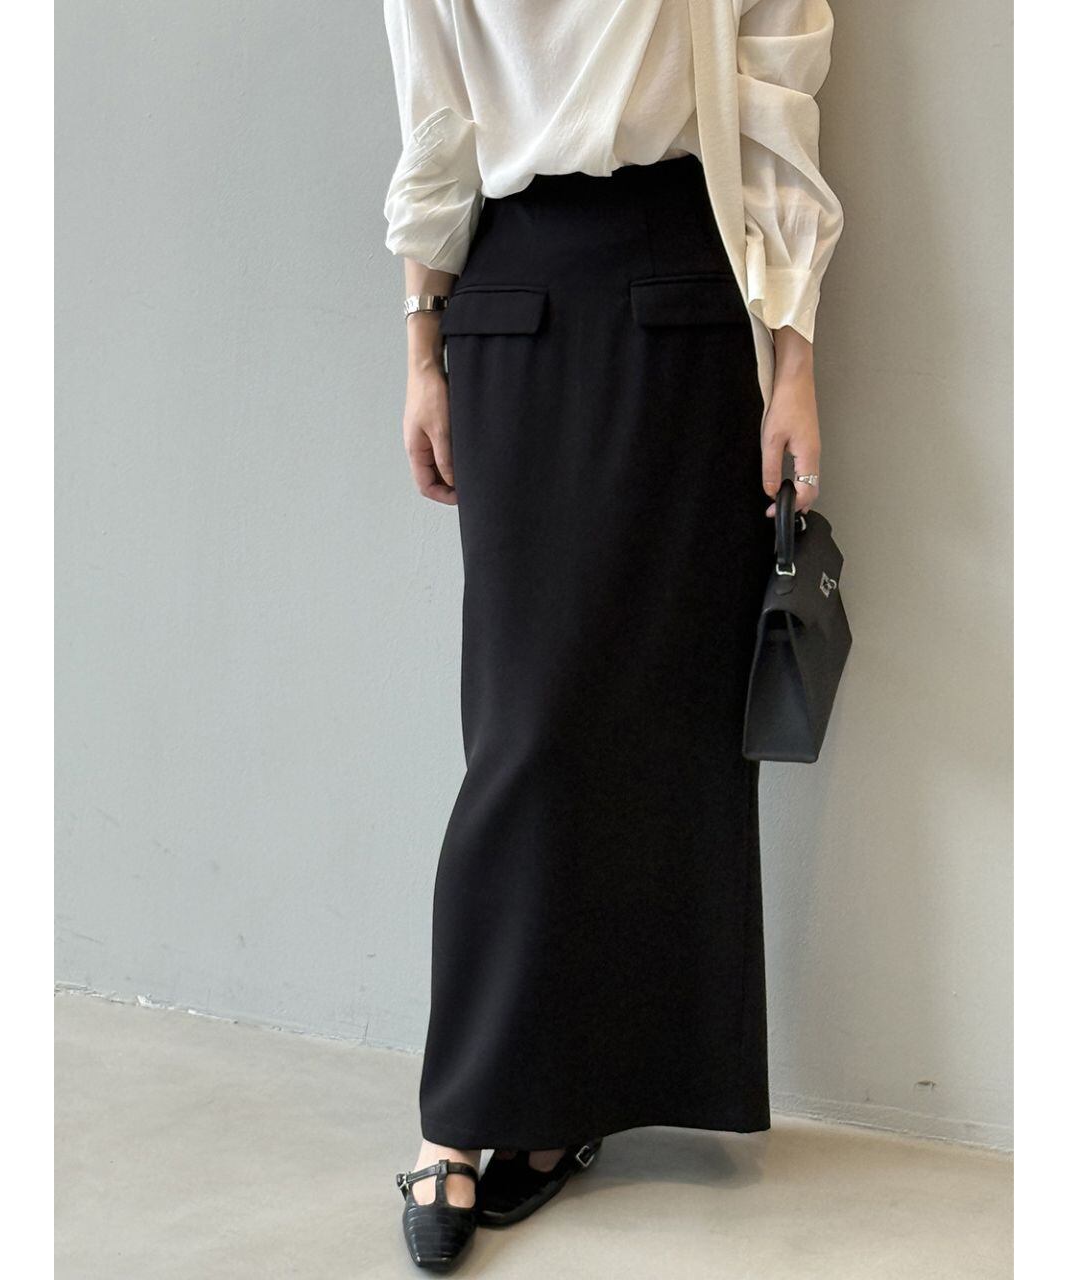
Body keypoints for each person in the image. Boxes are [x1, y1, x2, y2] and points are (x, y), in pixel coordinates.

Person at [381, 0, 843, 1269]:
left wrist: (793, 363)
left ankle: (566, 1103)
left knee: (661, 718)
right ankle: (460, 1110)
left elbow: (775, 105)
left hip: (683, 288)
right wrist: (418, 348)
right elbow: (434, 117)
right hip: (508, 287)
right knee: (523, 725)